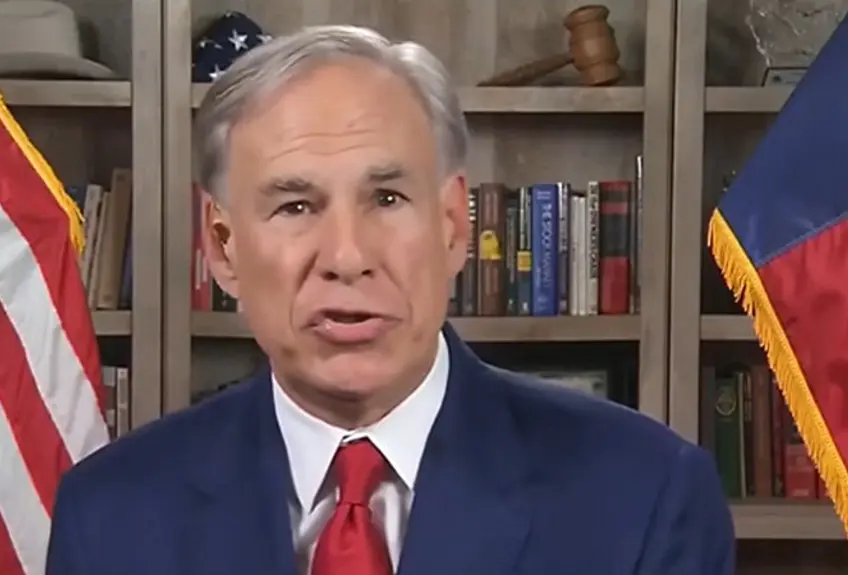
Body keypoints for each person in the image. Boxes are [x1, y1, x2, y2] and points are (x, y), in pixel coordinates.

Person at [46, 24, 735, 575]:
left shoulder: (646, 496)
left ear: (453, 226)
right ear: (223, 248)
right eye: (295, 206)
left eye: (387, 198)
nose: (347, 257)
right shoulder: (110, 518)